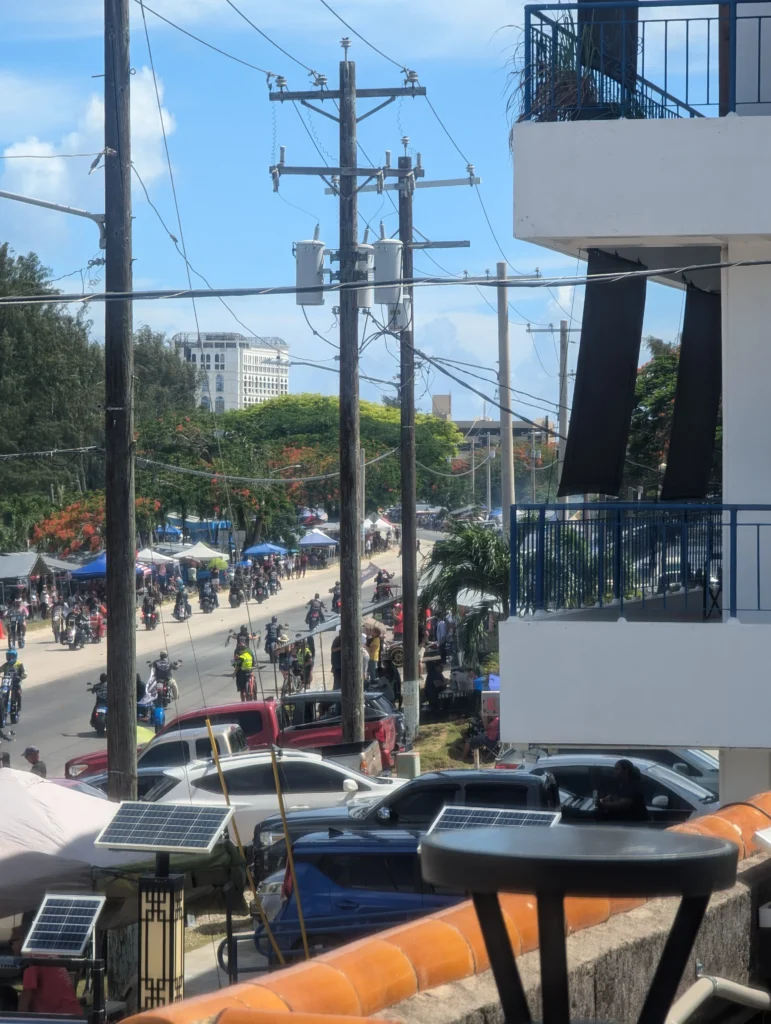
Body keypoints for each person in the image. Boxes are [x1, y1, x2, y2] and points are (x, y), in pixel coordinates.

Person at [10, 926, 81, 1015]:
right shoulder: (43, 951)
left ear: (22, 940)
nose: (11, 947)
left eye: (11, 942)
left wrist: (17, 1019)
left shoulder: (30, 956)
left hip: (61, 1017)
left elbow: (27, 993)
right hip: (71, 1015)